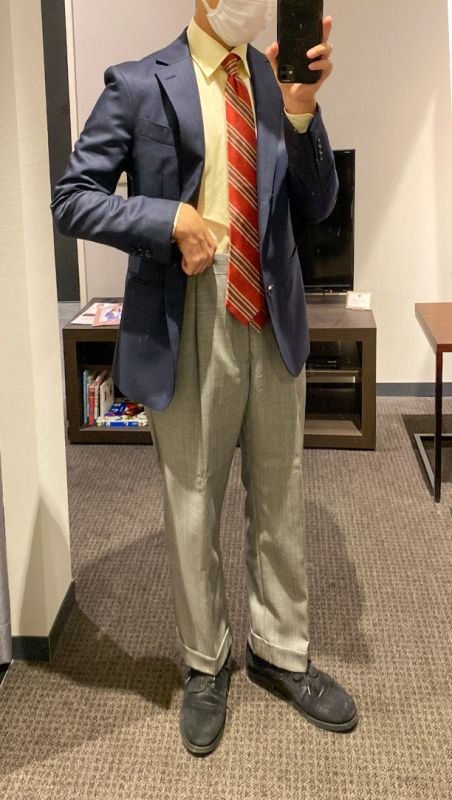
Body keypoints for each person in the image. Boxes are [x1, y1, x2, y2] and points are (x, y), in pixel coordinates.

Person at [51, 0, 358, 756]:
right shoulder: (136, 83)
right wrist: (168, 219)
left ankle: (281, 651)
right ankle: (205, 661)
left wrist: (303, 111)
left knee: (280, 492)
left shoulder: (272, 83)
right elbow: (73, 197)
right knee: (192, 499)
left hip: (273, 313)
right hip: (188, 311)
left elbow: (318, 203)